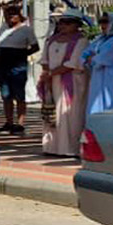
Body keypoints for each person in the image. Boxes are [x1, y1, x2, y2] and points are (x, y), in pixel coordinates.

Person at [40, 15, 90, 157]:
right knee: (52, 112)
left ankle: (69, 148)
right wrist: (47, 75)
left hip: (71, 82)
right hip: (52, 80)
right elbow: (44, 59)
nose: (63, 25)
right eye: (61, 22)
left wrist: (51, 73)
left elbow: (73, 63)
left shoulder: (82, 41)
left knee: (69, 113)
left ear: (77, 24)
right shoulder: (51, 40)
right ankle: (51, 147)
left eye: (68, 23)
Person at [0, 5, 39, 134]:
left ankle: (20, 123)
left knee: (19, 95)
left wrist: (22, 54)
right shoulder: (2, 27)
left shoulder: (27, 30)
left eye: (13, 14)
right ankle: (8, 122)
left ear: (19, 15)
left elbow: (36, 47)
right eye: (8, 14)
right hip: (3, 64)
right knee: (6, 95)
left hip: (18, 64)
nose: (10, 17)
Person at [84, 13, 113, 117]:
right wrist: (92, 57)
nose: (102, 25)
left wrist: (93, 57)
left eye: (105, 22)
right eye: (101, 22)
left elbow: (101, 60)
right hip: (97, 80)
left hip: (111, 79)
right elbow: (84, 55)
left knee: (110, 107)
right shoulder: (100, 39)